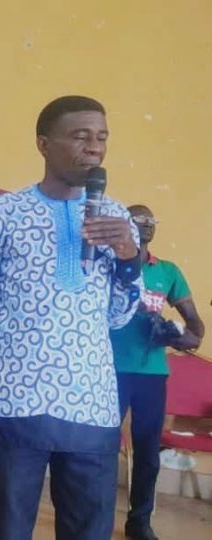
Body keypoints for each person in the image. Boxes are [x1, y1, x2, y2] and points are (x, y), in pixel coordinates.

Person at [0, 96, 143, 540]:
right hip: (13, 403)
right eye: (80, 136)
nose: (94, 148)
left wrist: (128, 258)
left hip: (92, 406)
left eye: (101, 138)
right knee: (8, 531)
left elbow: (118, 317)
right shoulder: (2, 214)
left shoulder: (118, 219)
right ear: (43, 144)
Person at [110, 204, 205, 540]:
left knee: (148, 450)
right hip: (107, 370)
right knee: (102, 447)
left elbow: (195, 328)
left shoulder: (167, 270)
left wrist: (178, 336)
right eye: (139, 220)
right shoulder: (107, 266)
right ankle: (97, 516)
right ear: (125, 225)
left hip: (151, 372)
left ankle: (139, 522)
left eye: (151, 220)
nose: (147, 225)